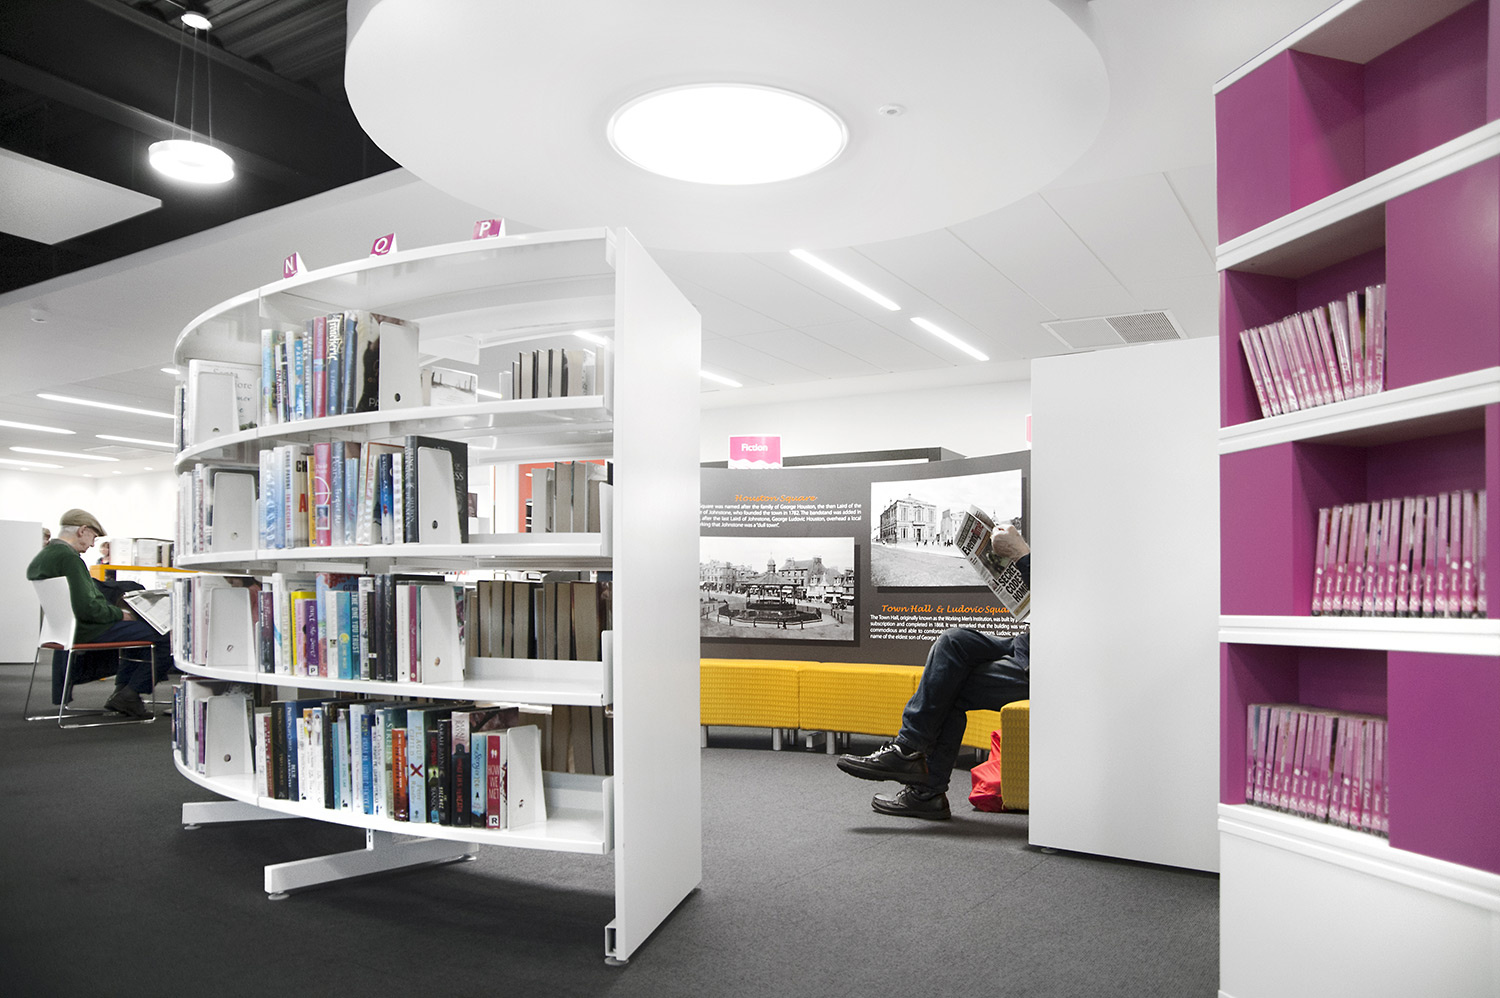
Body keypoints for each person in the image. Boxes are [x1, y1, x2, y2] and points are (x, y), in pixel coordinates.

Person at [836, 524, 1031, 820]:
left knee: (950, 684)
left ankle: (920, 781)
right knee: (953, 641)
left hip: (1048, 664)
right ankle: (911, 757)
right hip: (1026, 643)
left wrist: (1021, 554)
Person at [26, 509, 172, 719]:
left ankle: (123, 693)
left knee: (139, 634)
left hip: (64, 630)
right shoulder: (69, 558)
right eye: (93, 537)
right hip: (88, 629)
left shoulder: (45, 556)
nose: (93, 545)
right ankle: (129, 694)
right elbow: (87, 608)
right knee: (166, 636)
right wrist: (119, 614)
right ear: (82, 530)